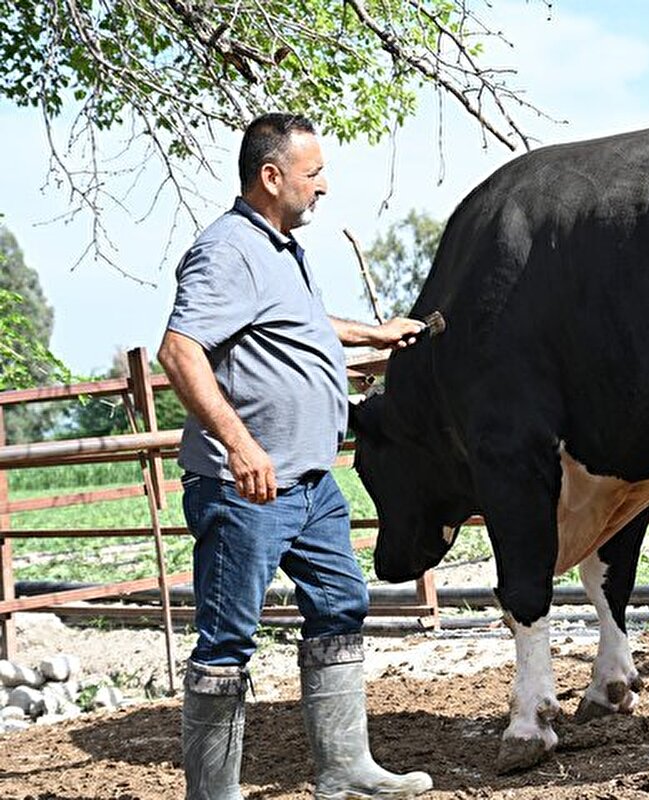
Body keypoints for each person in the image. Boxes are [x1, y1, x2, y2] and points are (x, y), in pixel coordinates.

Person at [158, 112, 432, 800]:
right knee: (227, 642)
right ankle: (211, 794)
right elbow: (179, 350)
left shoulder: (282, 248)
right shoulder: (227, 250)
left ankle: (345, 769)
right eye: (314, 174)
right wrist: (241, 443)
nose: (324, 187)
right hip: (245, 485)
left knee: (341, 604)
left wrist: (373, 333)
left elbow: (303, 323)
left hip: (310, 484)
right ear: (271, 176)